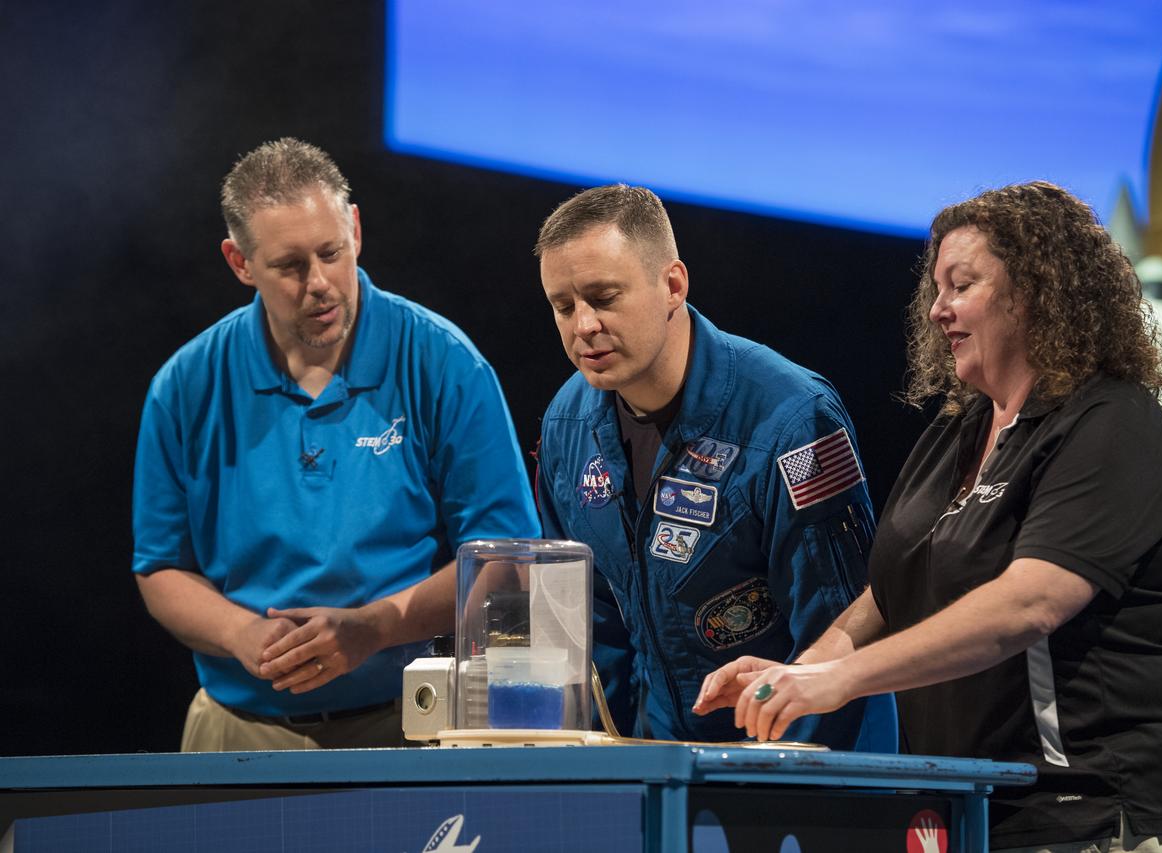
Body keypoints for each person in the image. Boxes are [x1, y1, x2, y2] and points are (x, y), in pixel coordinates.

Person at [695, 182, 1162, 851]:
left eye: (961, 285)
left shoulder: (1112, 425)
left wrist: (842, 680)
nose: (937, 310)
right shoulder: (957, 428)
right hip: (966, 817)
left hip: (1087, 818)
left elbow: (1028, 605)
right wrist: (795, 674)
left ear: (1035, 293)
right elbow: (889, 591)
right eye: (936, 288)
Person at [132, 138, 538, 751]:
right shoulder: (186, 385)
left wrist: (371, 630)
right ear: (240, 262)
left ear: (355, 227)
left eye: (331, 252)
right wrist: (243, 635)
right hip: (235, 730)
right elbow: (161, 567)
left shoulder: (443, 362)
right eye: (290, 266)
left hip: (409, 727)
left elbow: (508, 557)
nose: (319, 283)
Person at [532, 184, 896, 749]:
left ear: (673, 285)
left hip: (801, 768)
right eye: (563, 306)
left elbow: (840, 634)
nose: (583, 326)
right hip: (661, 770)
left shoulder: (793, 419)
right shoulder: (566, 425)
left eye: (603, 298)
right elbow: (583, 634)